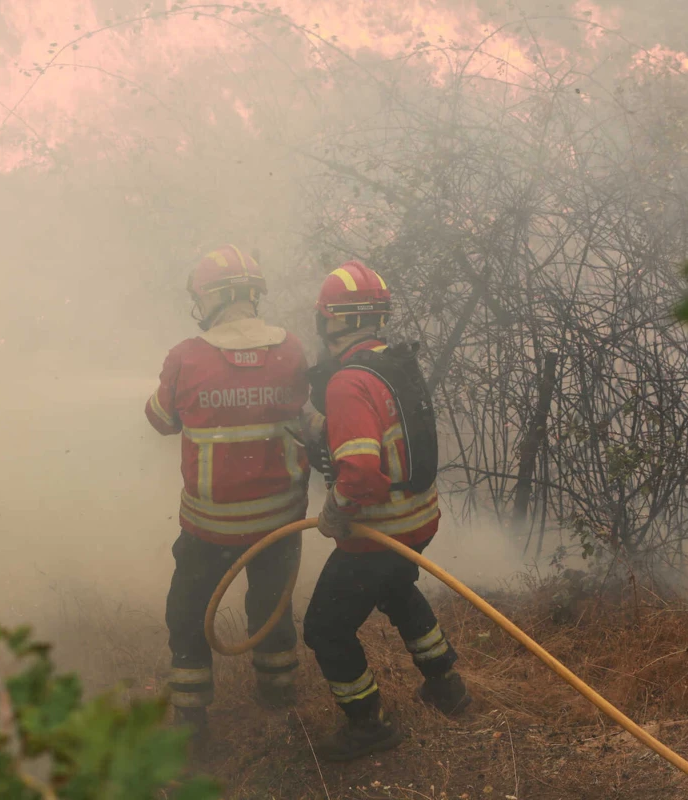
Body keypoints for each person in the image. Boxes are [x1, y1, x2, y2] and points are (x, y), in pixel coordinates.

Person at [300, 259, 472, 763]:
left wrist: (334, 511)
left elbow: (358, 475)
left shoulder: (347, 381)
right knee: (398, 590)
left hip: (377, 534)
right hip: (418, 523)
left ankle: (366, 725)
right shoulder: (396, 362)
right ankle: (446, 687)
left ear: (333, 319)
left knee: (325, 629)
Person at [145, 245, 311, 750]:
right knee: (271, 607)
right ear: (254, 294)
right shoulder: (292, 351)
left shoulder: (186, 357)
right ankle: (280, 697)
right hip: (279, 523)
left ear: (208, 299)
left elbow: (159, 420)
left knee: (188, 611)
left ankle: (193, 723)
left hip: (209, 529)